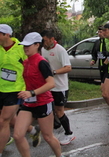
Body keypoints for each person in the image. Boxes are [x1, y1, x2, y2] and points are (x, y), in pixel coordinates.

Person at [13, 32, 63, 157]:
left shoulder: (42, 62)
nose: (25, 48)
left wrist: (32, 92)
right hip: (28, 103)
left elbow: (51, 84)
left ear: (37, 45)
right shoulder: (25, 62)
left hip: (43, 103)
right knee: (18, 136)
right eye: (24, 46)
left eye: (28, 45)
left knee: (48, 136)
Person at [0, 24, 41, 156]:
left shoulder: (20, 48)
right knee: (11, 119)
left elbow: (32, 65)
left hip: (15, 90)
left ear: (7, 35)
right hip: (1, 89)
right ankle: (33, 130)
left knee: (3, 121)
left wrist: (32, 88)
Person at [40, 30, 75, 145]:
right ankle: (55, 127)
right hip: (48, 86)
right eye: (42, 40)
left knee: (59, 111)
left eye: (45, 40)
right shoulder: (43, 50)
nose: (43, 43)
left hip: (60, 87)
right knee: (49, 110)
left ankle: (69, 134)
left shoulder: (60, 50)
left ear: (51, 39)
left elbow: (68, 67)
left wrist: (53, 72)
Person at [90, 26, 109, 112]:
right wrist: (93, 60)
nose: (99, 34)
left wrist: (107, 62)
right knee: (107, 88)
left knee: (104, 88)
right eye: (98, 32)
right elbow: (94, 53)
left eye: (101, 32)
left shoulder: (108, 42)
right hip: (101, 67)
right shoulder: (97, 43)